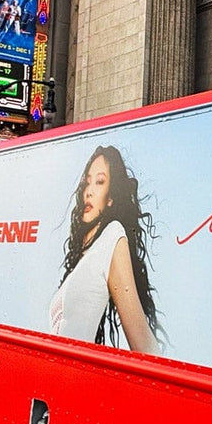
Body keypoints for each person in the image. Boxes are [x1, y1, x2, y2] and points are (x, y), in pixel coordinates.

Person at [49, 145, 160, 354]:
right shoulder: (88, 250)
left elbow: (144, 344)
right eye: (87, 183)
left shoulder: (113, 235)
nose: (89, 191)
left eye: (100, 182)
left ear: (111, 197)